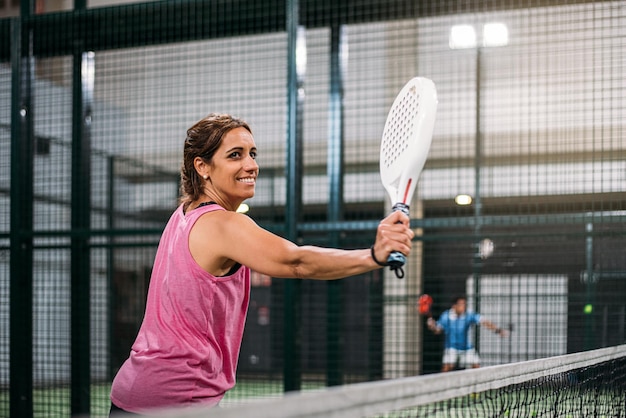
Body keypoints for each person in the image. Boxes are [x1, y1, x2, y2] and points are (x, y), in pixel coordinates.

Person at [109, 113, 414, 415]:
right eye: (235, 155)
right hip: (173, 400)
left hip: (138, 390)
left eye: (252, 154)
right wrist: (374, 255)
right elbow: (297, 262)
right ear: (202, 167)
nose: (251, 165)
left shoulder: (182, 216)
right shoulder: (223, 224)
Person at [426, 295, 507, 372]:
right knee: (447, 368)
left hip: (467, 347)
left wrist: (498, 330)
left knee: (476, 367)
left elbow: (484, 322)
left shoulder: (469, 314)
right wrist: (432, 326)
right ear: (454, 306)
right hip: (451, 347)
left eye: (464, 304)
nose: (463, 306)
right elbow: (437, 330)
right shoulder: (446, 316)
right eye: (461, 304)